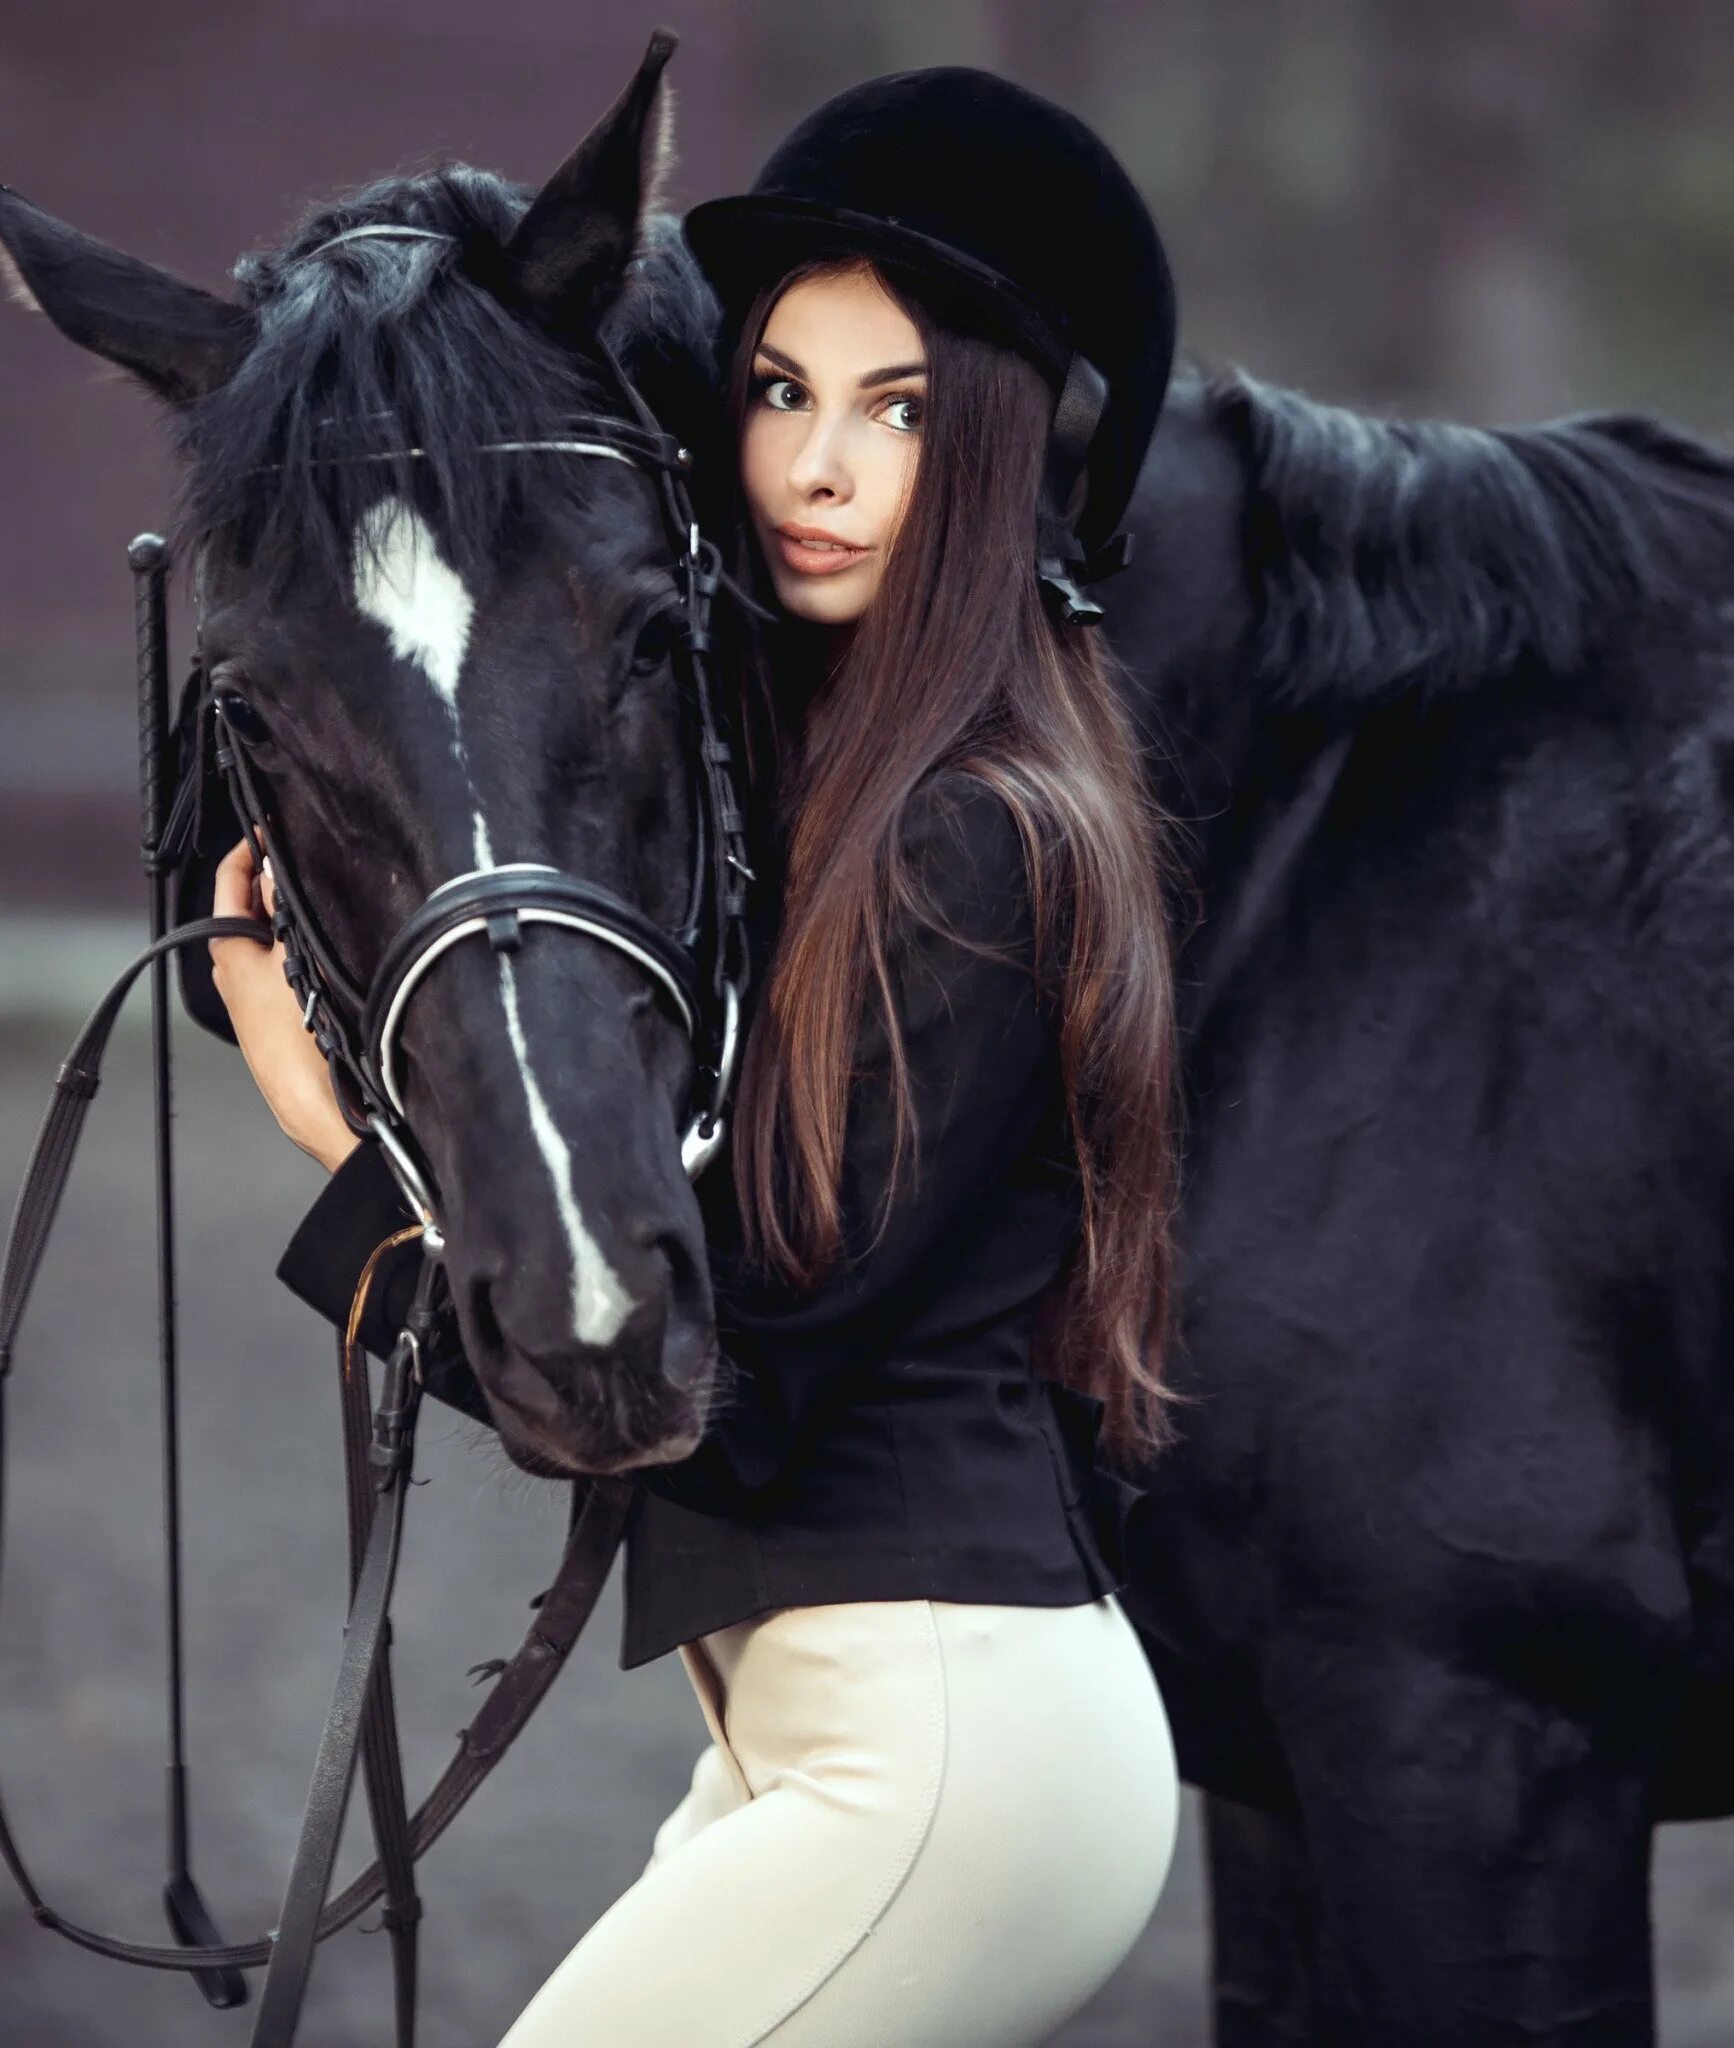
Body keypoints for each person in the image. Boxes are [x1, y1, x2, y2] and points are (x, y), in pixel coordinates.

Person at [208, 66, 1190, 2048]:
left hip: (945, 1754)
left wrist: (322, 1125)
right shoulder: (834, 794)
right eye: (778, 391)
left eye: (895, 410)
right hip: (817, 1738)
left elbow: (720, 1396)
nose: (812, 467)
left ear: (1001, 454)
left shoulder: (978, 838)